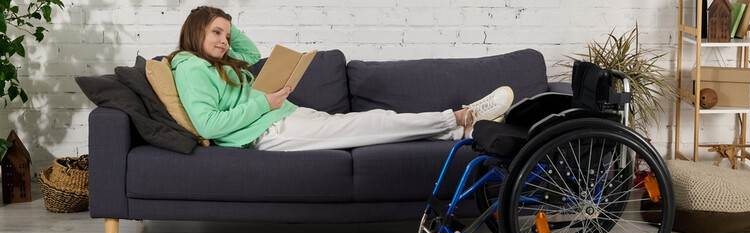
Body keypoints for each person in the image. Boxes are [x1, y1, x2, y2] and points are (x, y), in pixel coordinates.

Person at [168, 6, 514, 151]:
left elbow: (251, 52)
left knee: (375, 125)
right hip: (268, 129)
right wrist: (264, 103)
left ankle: (463, 133)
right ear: (196, 32)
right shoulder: (191, 67)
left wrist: (224, 22)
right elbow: (209, 125)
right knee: (374, 123)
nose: (225, 41)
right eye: (216, 33)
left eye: (226, 35)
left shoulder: (217, 62)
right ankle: (459, 117)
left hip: (282, 115)